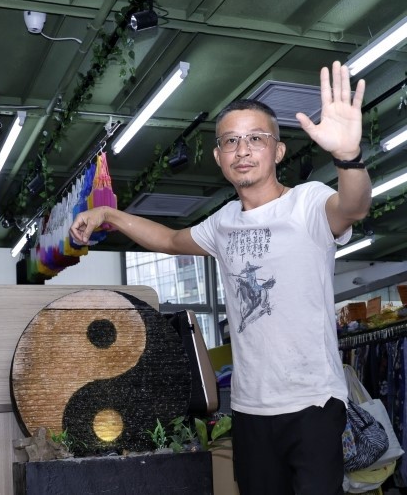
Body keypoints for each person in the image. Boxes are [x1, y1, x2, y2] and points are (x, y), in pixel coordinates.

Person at [69, 61, 372, 495]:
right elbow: (170, 240)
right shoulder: (224, 222)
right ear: (218, 158)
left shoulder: (308, 203)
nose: (242, 150)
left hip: (314, 403)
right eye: (231, 141)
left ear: (278, 151)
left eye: (256, 138)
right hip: (249, 409)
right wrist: (109, 214)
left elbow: (353, 207)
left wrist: (348, 158)